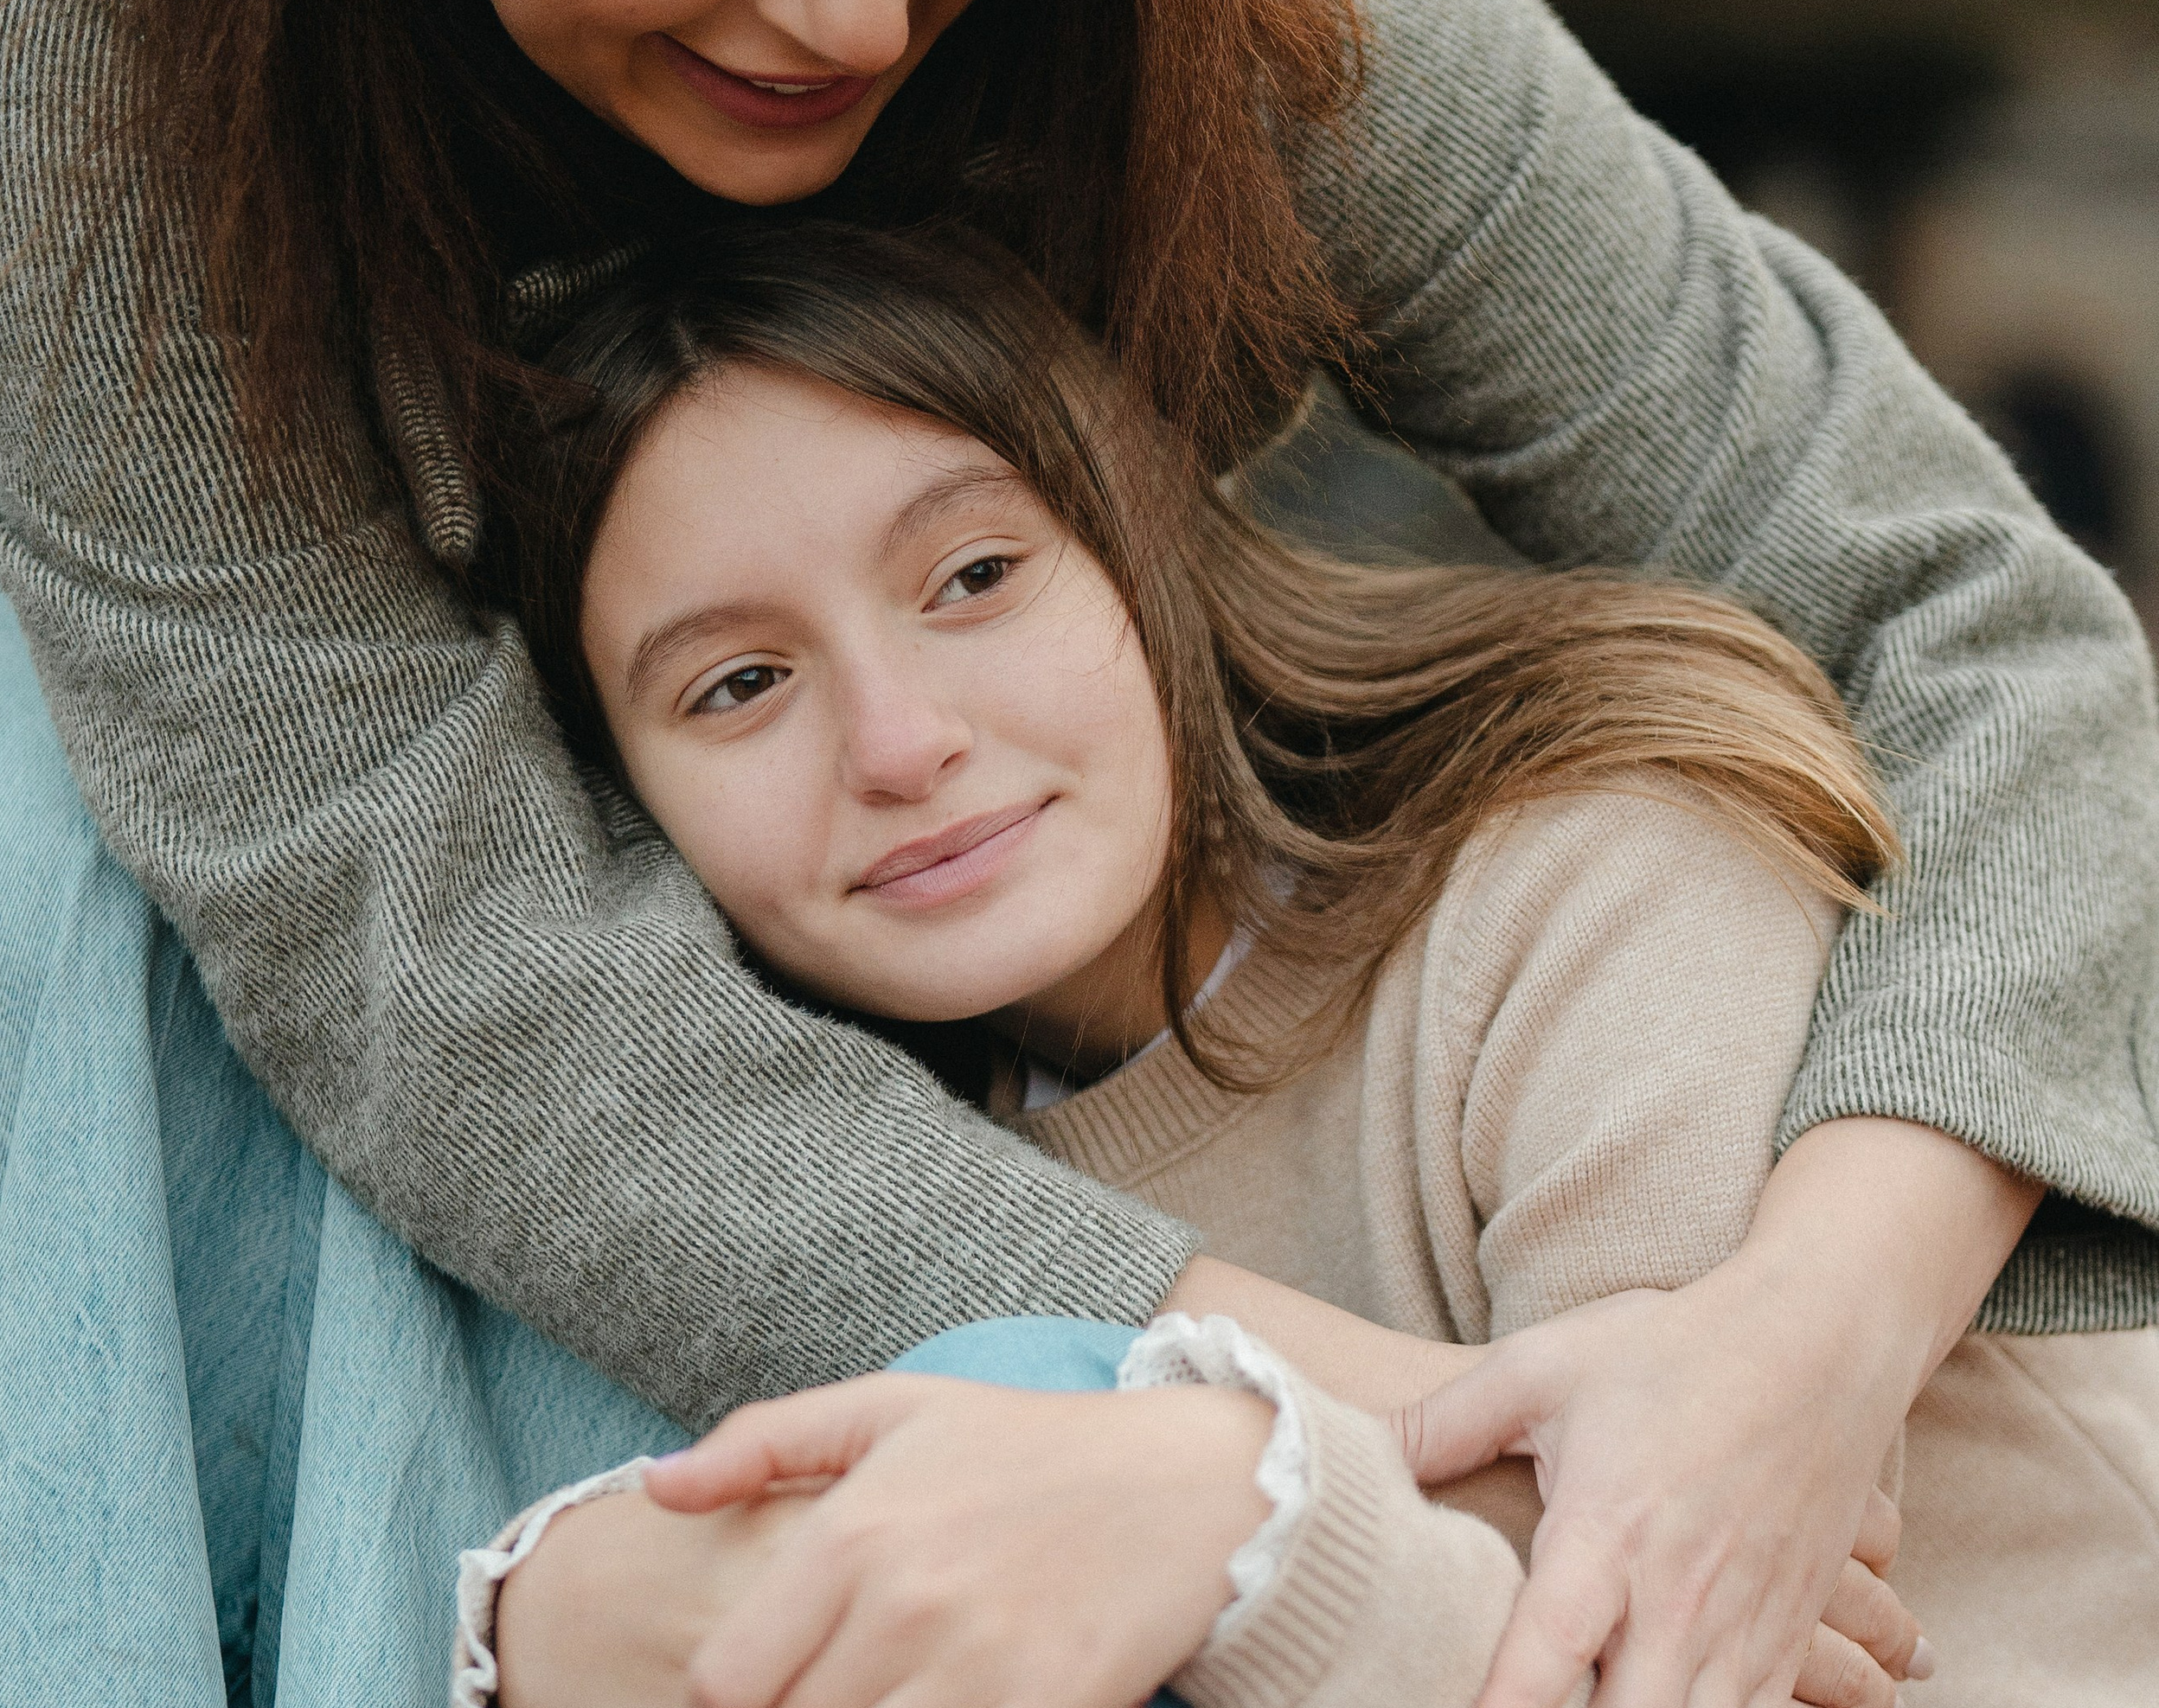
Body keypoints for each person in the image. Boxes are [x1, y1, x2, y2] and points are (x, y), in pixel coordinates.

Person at [0, 0, 2151, 1700]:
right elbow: (444, 972)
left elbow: (1964, 608)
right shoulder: (77, 28)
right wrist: (1310, 1440)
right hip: (383, 1147)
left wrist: (1783, 1344)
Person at [468, 218, 2159, 1708]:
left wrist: (1233, 1510)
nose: (899, 742)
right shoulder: (872, 1184)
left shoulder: (1586, 887)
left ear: (1139, 545)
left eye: (973, 574)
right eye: (737, 686)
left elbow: (1670, 1647)